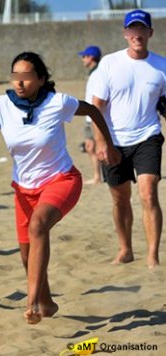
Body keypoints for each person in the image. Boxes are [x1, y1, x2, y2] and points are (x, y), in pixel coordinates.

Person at [0, 52, 119, 325]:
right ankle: (48, 302)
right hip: (23, 190)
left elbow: (94, 111)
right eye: (15, 76)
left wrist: (106, 144)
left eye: (26, 77)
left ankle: (31, 303)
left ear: (40, 79)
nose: (19, 83)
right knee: (27, 257)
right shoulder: (2, 105)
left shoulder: (58, 102)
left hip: (61, 180)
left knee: (38, 225)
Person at [92, 9, 166, 268]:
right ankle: (126, 249)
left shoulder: (162, 66)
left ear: (150, 33)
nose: (137, 34)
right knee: (120, 198)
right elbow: (96, 106)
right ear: (125, 34)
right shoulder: (110, 64)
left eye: (142, 29)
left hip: (148, 136)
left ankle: (152, 256)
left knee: (148, 194)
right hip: (114, 140)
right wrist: (101, 142)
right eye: (132, 30)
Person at [77, 45, 102, 185]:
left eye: (84, 56)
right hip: (90, 116)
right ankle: (98, 176)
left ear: (91, 57)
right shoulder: (94, 73)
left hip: (92, 116)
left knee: (92, 146)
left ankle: (98, 176)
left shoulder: (97, 74)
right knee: (90, 146)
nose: (82, 59)